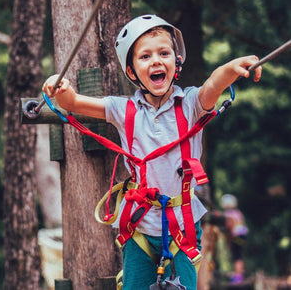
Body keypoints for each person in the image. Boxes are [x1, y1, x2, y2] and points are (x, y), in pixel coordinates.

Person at [42, 15, 262, 290]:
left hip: (183, 223)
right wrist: (58, 86)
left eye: (164, 53)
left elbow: (214, 84)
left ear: (176, 62)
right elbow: (73, 102)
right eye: (145, 56)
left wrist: (230, 68)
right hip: (140, 226)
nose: (157, 61)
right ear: (132, 71)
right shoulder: (123, 110)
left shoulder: (192, 104)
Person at [220, 194, 249, 284]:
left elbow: (229, 227)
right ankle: (239, 273)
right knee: (239, 255)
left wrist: (228, 238)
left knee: (236, 256)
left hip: (235, 236)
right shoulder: (238, 213)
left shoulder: (227, 215)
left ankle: (238, 276)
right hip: (242, 236)